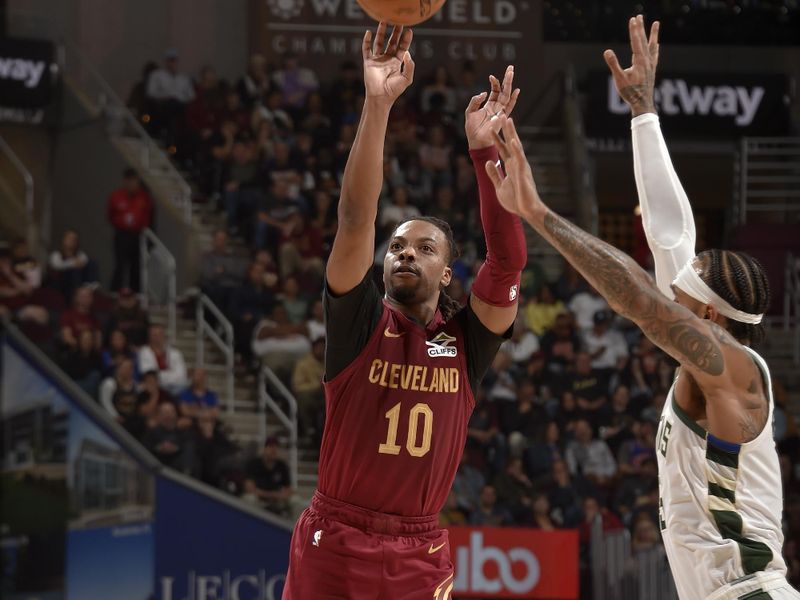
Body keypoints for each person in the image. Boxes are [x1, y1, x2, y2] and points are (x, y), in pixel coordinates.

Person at [485, 15, 797, 599]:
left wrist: (538, 213)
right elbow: (669, 234)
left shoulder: (734, 369)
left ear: (707, 316)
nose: (670, 289)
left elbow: (637, 300)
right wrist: (643, 113)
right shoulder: (716, 360)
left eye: (683, 290)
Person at [282, 24, 526, 599]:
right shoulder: (359, 320)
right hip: (336, 537)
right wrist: (377, 105)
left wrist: (484, 149)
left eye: (424, 247)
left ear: (448, 274)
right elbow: (355, 219)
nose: (404, 253)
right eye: (396, 247)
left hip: (421, 548)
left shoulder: (468, 341)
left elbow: (508, 260)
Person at [107, 169, 153, 291]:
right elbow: (110, 215)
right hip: (122, 234)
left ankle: (135, 292)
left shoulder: (144, 198)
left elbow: (148, 218)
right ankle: (115, 291)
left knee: (136, 266)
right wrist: (120, 224)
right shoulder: (117, 196)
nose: (132, 184)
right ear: (125, 181)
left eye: (134, 181)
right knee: (120, 264)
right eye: (129, 181)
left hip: (137, 235)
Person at [243, 437, 293, 517]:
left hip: (276, 499)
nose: (274, 450)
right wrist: (271, 495)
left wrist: (278, 495)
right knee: (250, 499)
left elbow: (289, 490)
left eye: (276, 448)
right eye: (270, 447)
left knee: (295, 501)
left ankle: (295, 528)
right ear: (264, 449)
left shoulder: (282, 466)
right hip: (259, 498)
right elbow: (249, 488)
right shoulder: (253, 464)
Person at [138, 324, 188, 395]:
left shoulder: (175, 353)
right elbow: (149, 375)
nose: (157, 337)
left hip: (176, 388)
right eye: (154, 335)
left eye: (159, 334)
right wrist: (171, 374)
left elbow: (181, 376)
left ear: (164, 335)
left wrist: (160, 376)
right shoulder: (144, 352)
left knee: (183, 388)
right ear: (149, 337)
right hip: (153, 388)